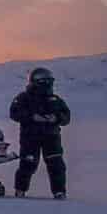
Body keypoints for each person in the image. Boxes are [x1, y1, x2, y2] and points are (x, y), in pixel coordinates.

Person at [10, 67, 72, 199]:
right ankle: (20, 190)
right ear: (35, 81)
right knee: (28, 164)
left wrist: (56, 118)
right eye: (44, 81)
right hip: (30, 138)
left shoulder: (55, 99)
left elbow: (66, 116)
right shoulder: (23, 98)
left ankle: (59, 192)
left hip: (52, 137)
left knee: (56, 165)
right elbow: (14, 113)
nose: (47, 84)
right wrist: (32, 117)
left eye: (49, 81)